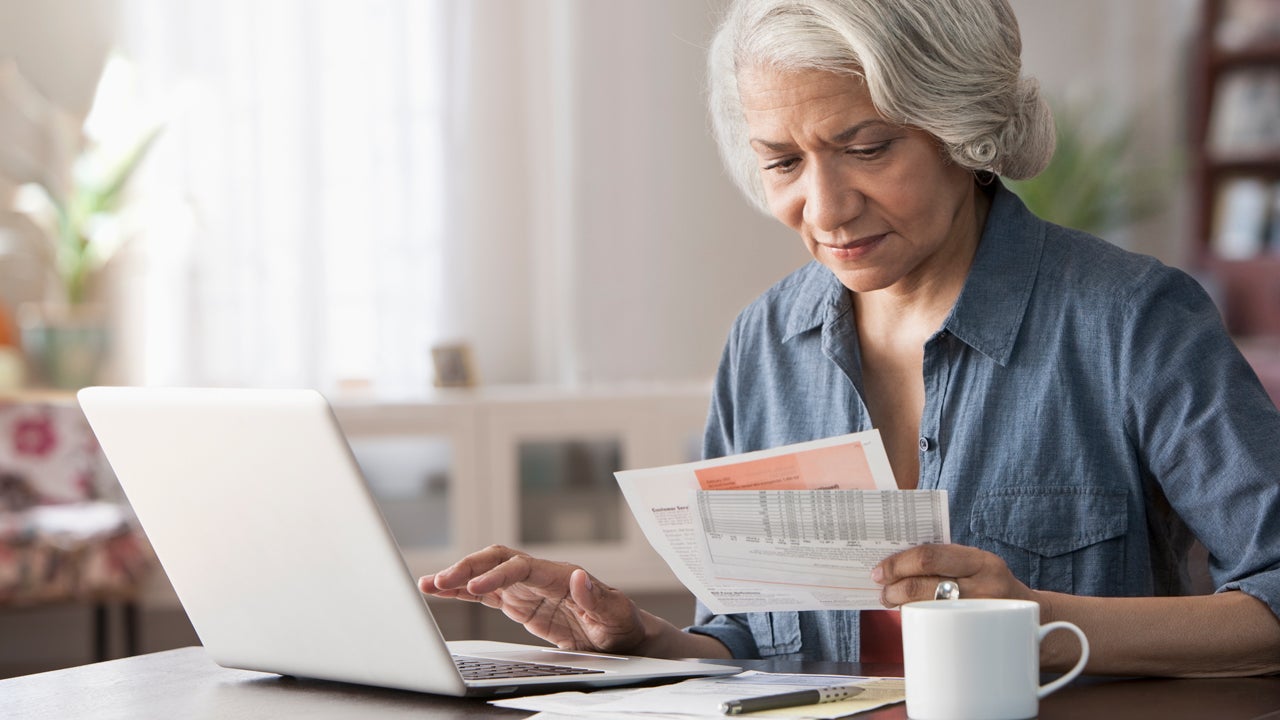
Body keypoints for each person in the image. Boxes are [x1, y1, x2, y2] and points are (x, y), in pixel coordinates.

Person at [420, 0, 1280, 676]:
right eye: (783, 163)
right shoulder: (764, 343)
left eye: (866, 148)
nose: (824, 211)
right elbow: (752, 641)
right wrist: (640, 638)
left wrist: (1043, 623)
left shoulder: (1132, 320)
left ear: (965, 129)